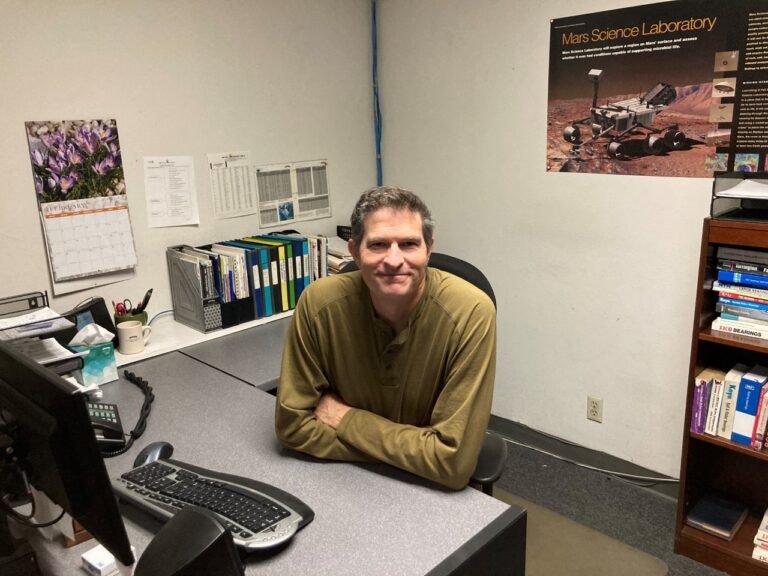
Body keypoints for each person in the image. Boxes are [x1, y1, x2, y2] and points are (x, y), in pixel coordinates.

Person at [274, 186, 496, 490]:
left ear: (428, 249)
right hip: (345, 485)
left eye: (409, 244)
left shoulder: (471, 312)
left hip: (430, 496)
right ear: (354, 251)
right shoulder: (318, 304)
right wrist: (417, 452)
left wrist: (345, 419)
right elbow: (293, 427)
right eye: (378, 244)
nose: (394, 260)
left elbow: (452, 463)